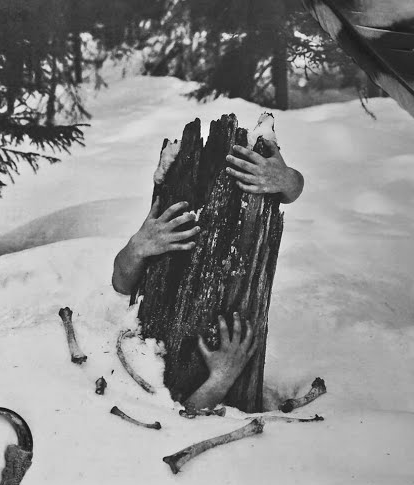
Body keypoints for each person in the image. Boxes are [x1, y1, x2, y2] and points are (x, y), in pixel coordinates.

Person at [111, 141, 305, 410]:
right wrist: (221, 379)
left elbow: (120, 284)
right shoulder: (131, 379)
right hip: (163, 357)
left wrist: (288, 180)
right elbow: (121, 285)